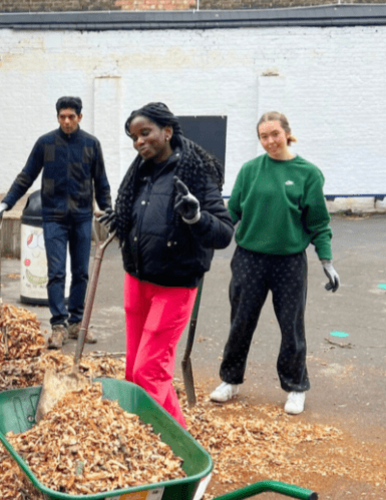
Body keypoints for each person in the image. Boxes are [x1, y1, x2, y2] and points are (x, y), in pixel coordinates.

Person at [98, 102, 233, 428]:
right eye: (134, 137)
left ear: (167, 131)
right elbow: (140, 214)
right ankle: (145, 434)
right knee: (134, 370)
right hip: (137, 279)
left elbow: (225, 232)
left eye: (145, 133)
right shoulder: (140, 174)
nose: (139, 142)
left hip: (174, 285)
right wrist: (121, 218)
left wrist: (196, 216)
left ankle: (178, 450)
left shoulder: (195, 172)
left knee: (150, 371)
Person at [210, 111, 339, 415]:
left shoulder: (308, 173)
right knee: (241, 322)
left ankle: (295, 386)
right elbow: (232, 214)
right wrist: (208, 235)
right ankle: (230, 380)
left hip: (289, 262)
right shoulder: (250, 170)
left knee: (291, 327)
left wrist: (327, 261)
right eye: (263, 136)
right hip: (249, 259)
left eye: (274, 134)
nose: (269, 141)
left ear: (287, 134)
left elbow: (319, 223)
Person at [0, 96, 111, 349]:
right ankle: (58, 325)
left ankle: (76, 323)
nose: (67, 121)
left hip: (82, 217)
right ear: (58, 117)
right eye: (62, 117)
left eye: (72, 116)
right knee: (56, 273)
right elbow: (26, 175)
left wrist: (108, 210)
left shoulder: (91, 145)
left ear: (80, 117)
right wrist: (6, 203)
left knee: (81, 272)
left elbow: (101, 181)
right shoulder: (45, 143)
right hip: (53, 218)